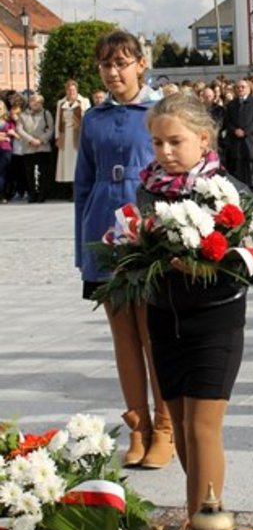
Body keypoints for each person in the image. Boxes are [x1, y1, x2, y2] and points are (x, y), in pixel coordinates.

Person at [137, 93, 248, 516]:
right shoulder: (148, 191)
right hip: (165, 320)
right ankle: (202, 519)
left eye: (175, 142)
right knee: (182, 433)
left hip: (215, 321)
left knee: (202, 429)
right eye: (157, 144)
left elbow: (250, 263)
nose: (165, 153)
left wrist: (207, 266)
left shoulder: (228, 192)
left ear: (204, 140)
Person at [75, 31, 174, 470]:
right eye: (105, 65)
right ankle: (138, 425)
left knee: (154, 334)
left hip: (148, 232)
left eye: (121, 63)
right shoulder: (93, 119)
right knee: (124, 338)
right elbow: (81, 184)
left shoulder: (159, 112)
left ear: (140, 64)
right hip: (103, 229)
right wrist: (83, 248)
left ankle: (166, 426)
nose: (113, 73)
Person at [223, 78, 253, 193]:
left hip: (250, 139)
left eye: (243, 87)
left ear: (249, 89)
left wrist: (245, 131)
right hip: (236, 139)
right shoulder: (231, 104)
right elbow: (228, 121)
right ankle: (241, 189)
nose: (240, 89)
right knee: (239, 164)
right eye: (238, 87)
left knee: (251, 164)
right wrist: (235, 130)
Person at [17, 93, 54, 203]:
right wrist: (30, 139)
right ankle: (32, 194)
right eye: (33, 101)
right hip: (28, 147)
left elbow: (50, 129)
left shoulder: (46, 114)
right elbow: (19, 129)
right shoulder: (23, 115)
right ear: (29, 102)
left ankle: (42, 194)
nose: (35, 104)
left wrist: (40, 140)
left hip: (42, 147)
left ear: (41, 103)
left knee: (43, 172)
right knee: (29, 173)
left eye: (38, 102)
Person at [56, 79, 90, 196]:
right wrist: (57, 136)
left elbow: (87, 119)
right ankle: (71, 191)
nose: (71, 92)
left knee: (78, 163)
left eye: (73, 90)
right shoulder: (61, 103)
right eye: (69, 90)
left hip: (78, 135)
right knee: (67, 165)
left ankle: (80, 190)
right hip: (65, 136)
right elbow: (58, 121)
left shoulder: (84, 101)